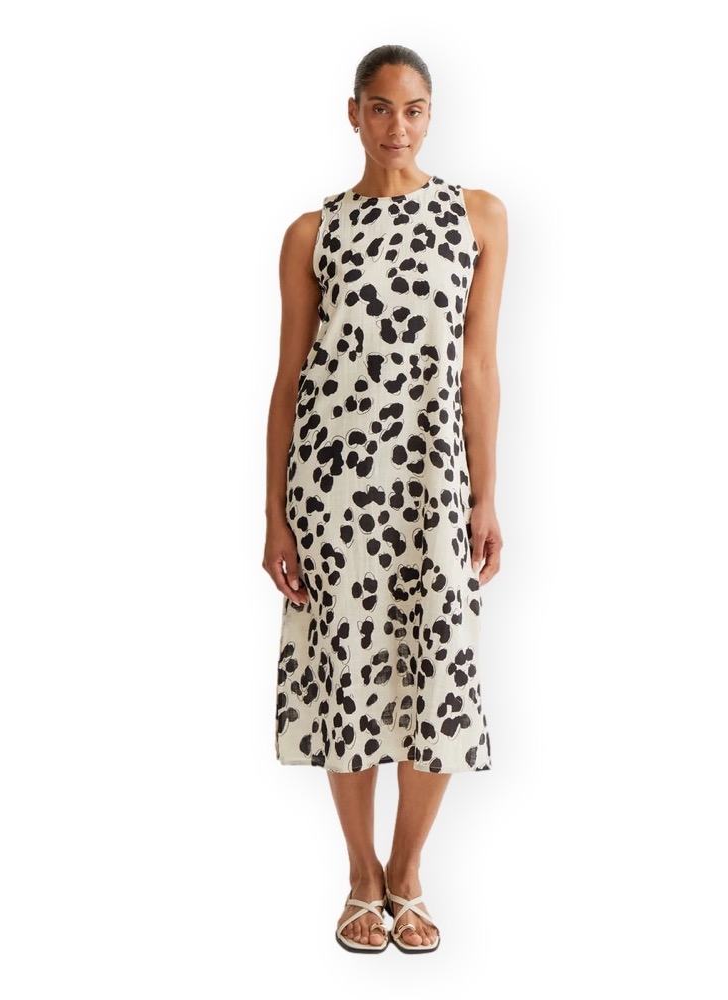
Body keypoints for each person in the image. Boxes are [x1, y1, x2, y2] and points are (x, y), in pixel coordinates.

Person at [262, 43, 507, 954]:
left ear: (430, 114)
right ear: (354, 113)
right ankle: (361, 877)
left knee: (440, 674)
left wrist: (486, 497)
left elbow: (478, 366)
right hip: (333, 490)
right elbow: (290, 379)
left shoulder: (477, 216)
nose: (395, 126)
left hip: (432, 484)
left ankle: (408, 873)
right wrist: (275, 514)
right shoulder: (312, 232)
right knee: (350, 676)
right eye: (379, 108)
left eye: (412, 109)